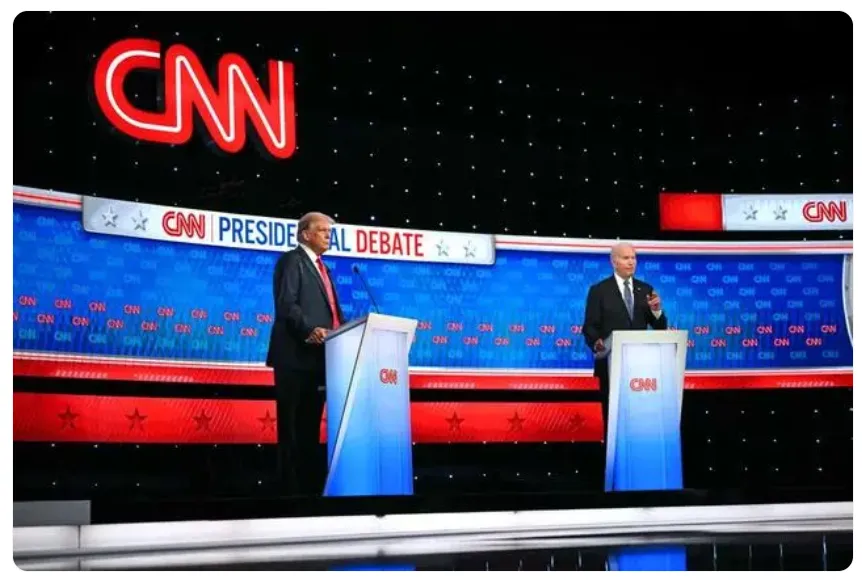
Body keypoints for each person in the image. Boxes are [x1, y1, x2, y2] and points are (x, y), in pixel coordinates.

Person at [266, 211, 345, 496]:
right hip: (295, 357)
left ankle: (309, 492)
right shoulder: (292, 260)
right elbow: (287, 304)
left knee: (309, 430)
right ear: (305, 234)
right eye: (322, 231)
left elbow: (333, 314)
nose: (328, 236)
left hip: (319, 359)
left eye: (329, 231)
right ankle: (288, 494)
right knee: (292, 430)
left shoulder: (324, 269)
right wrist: (309, 330)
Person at [582, 242, 667, 440]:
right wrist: (596, 343)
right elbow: (589, 326)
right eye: (626, 258)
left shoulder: (645, 289)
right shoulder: (599, 290)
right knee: (612, 421)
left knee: (638, 420)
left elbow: (660, 327)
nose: (631, 262)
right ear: (614, 262)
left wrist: (656, 311)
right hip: (610, 365)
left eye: (633, 258)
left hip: (640, 369)